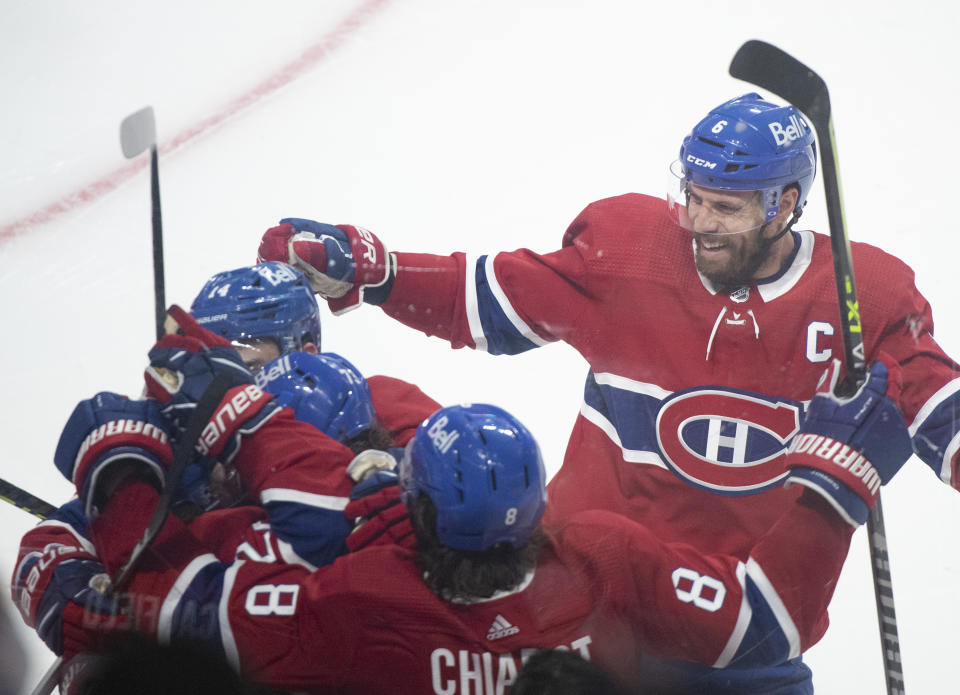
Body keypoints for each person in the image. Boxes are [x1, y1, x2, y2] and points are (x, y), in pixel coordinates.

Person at [255, 93, 960, 690]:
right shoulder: (629, 252)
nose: (702, 224)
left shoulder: (859, 298)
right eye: (694, 198)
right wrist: (376, 272)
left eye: (727, 208)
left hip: (745, 627)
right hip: (585, 612)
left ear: (786, 206)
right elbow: (491, 300)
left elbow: (939, 405)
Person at [28, 358, 912, 694]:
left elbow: (162, 603)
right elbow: (765, 627)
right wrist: (836, 490)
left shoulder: (353, 603)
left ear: (411, 510)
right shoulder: (599, 560)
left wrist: (117, 478)